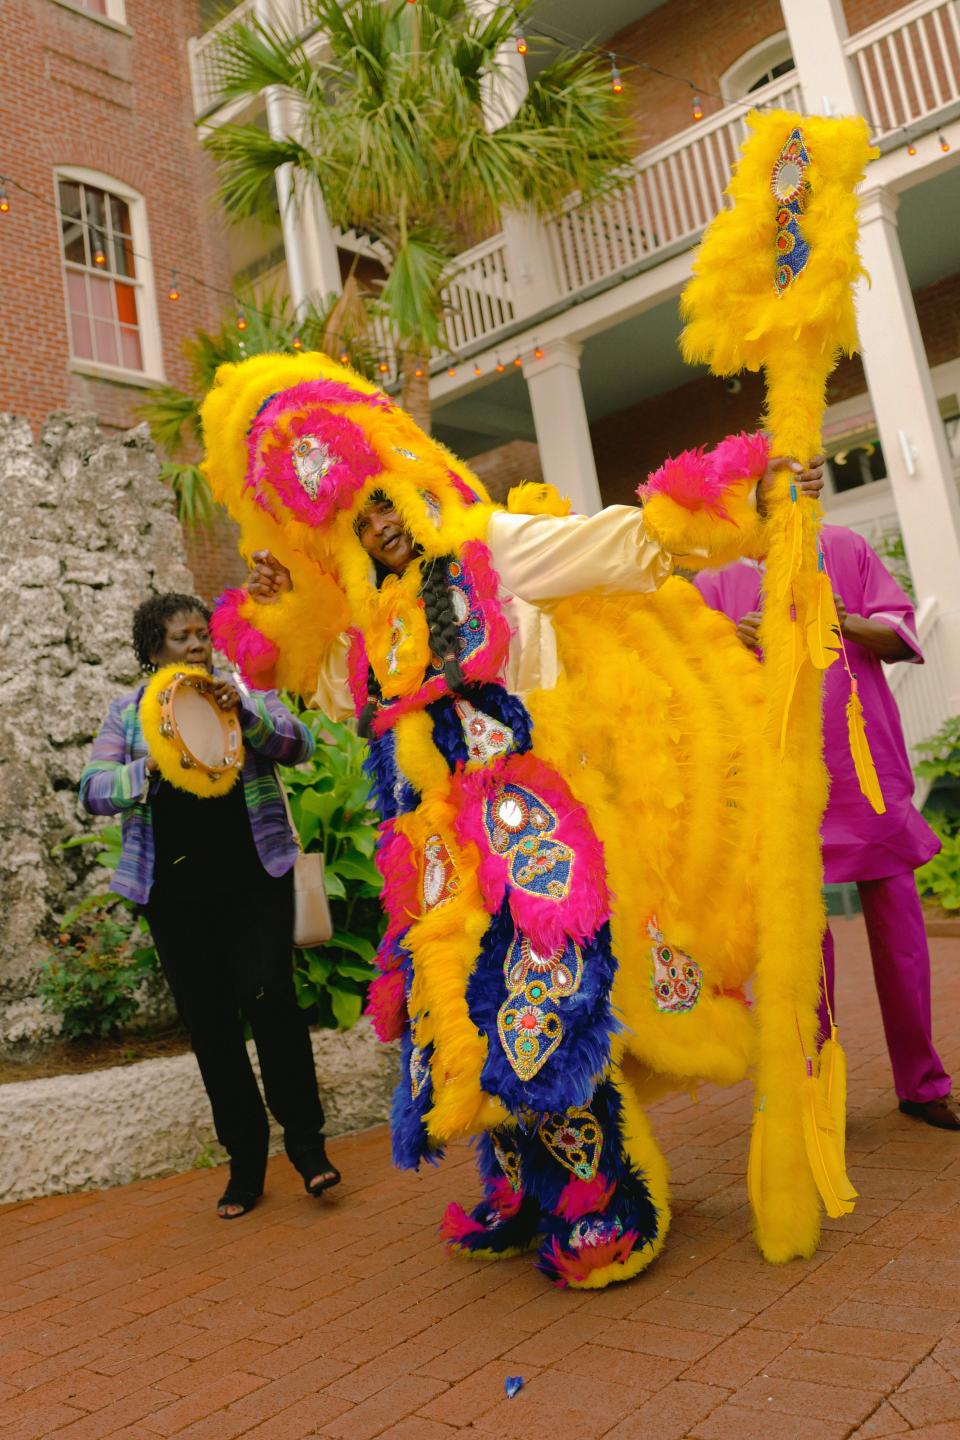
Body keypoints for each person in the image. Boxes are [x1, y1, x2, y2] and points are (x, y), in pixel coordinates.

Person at [200, 351, 827, 1286]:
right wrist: (280, 609)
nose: (379, 525)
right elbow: (321, 686)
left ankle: (602, 1196)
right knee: (463, 1019)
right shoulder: (369, 623)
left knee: (548, 1009)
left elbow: (625, 543)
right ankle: (523, 1186)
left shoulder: (493, 546)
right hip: (439, 856)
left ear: (411, 487)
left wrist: (751, 492)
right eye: (356, 518)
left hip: (537, 832)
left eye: (384, 501)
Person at [80, 592, 342, 1217]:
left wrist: (246, 719)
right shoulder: (127, 714)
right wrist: (149, 768)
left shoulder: (242, 694)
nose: (197, 645)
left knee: (273, 1004)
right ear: (153, 650)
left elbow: (299, 745)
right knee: (213, 1029)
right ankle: (245, 1165)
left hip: (256, 879)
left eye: (203, 633)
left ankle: (308, 1148)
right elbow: (92, 790)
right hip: (174, 897)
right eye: (181, 637)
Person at [695, 525, 959, 1131]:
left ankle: (922, 1083)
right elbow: (691, 672)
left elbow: (898, 635)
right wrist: (727, 640)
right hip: (778, 775)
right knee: (802, 942)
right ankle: (816, 1086)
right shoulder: (715, 575)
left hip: (863, 766)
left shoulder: (844, 548)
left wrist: (844, 620)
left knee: (901, 934)